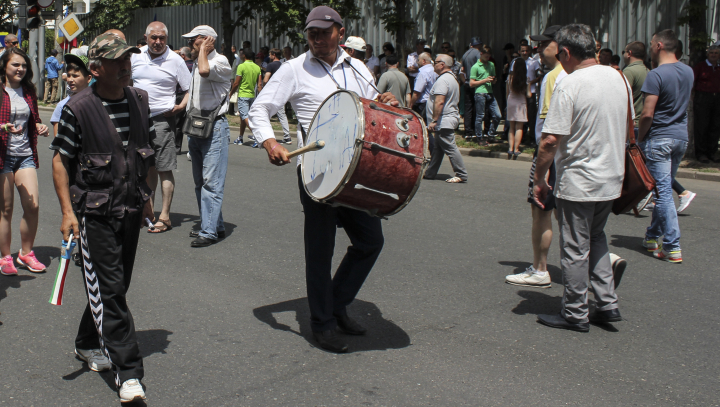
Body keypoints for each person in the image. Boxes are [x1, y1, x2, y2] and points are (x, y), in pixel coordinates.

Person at [247, 5, 398, 353]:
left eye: (323, 32)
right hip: (316, 174)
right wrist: (270, 142)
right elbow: (259, 109)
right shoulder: (293, 69)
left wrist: (386, 101)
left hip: (354, 171)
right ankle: (322, 323)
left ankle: (336, 303)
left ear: (340, 33)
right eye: (311, 33)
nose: (316, 38)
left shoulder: (359, 68)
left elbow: (374, 113)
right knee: (320, 251)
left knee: (370, 241)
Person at [50, 32, 154, 402]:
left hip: (129, 206)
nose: (125, 65)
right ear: (95, 69)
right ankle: (128, 372)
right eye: (116, 60)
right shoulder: (78, 108)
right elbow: (60, 162)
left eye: (127, 58)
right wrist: (66, 212)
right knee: (110, 288)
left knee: (116, 285)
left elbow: (147, 152)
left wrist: (147, 197)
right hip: (93, 214)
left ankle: (85, 340)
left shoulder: (140, 100)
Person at [533, 24, 628, 331]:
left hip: (580, 179)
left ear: (566, 53)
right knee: (597, 238)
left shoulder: (569, 83)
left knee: (575, 248)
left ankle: (575, 312)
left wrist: (539, 178)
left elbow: (550, 140)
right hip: (611, 176)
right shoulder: (618, 76)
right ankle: (606, 302)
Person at [506, 25, 567, 288]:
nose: (539, 49)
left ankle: (540, 269)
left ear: (561, 45)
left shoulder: (555, 77)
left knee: (540, 209)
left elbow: (549, 131)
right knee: (568, 215)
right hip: (572, 157)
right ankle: (596, 262)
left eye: (544, 44)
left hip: (552, 155)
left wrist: (540, 167)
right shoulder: (576, 74)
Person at [638, 29, 694, 263]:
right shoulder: (688, 71)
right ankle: (652, 236)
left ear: (659, 45)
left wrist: (640, 138)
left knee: (662, 195)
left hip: (659, 138)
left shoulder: (656, 74)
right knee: (663, 190)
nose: (650, 47)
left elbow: (647, 113)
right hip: (680, 137)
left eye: (652, 43)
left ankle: (672, 246)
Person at [131, 21, 191, 234]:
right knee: (145, 169)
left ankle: (164, 217)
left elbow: (189, 88)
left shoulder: (175, 60)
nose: (157, 42)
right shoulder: (135, 56)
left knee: (164, 168)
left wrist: (179, 107)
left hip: (162, 121)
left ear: (166, 38)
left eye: (161, 38)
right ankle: (149, 212)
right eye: (153, 38)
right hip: (137, 121)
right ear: (146, 37)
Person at [0, 47, 50, 276]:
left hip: (25, 155)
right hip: (2, 156)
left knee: (33, 205)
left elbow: (35, 119)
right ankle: (5, 257)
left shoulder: (28, 91)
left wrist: (40, 126)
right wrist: (3, 127)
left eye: (23, 65)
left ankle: (26, 253)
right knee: (6, 210)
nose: (20, 69)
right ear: (4, 66)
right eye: (15, 65)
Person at [182, 26, 233, 247]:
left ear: (206, 40)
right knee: (200, 182)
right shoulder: (197, 61)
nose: (190, 44)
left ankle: (208, 231)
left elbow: (205, 71)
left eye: (194, 40)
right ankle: (215, 225)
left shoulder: (219, 61)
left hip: (215, 128)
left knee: (212, 183)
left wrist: (203, 50)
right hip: (196, 127)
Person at [423, 54, 467, 183]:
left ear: (442, 65)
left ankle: (461, 173)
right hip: (446, 119)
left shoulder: (443, 80)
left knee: (450, 147)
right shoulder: (451, 78)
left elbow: (439, 102)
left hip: (443, 120)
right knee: (438, 148)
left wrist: (434, 120)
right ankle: (430, 172)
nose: (433, 65)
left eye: (435, 62)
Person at [51, 54, 92, 138]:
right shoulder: (62, 105)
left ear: (88, 78)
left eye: (75, 76)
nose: (70, 80)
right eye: (69, 75)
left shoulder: (97, 102)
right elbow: (58, 140)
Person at [693, 44, 720, 163]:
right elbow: (693, 81)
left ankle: (712, 152)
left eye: (716, 53)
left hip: (717, 97)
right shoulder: (701, 66)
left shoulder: (719, 67)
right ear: (708, 54)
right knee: (702, 126)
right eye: (711, 53)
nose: (713, 55)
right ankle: (701, 153)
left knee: (715, 125)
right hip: (703, 97)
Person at [470, 46, 501, 145]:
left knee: (497, 115)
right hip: (480, 92)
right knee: (480, 116)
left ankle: (490, 134)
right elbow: (471, 83)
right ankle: (479, 137)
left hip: (489, 92)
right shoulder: (475, 67)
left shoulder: (491, 64)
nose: (487, 59)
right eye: (486, 57)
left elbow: (494, 78)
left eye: (489, 57)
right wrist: (485, 80)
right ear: (481, 54)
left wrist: (493, 80)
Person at [231, 48, 262, 147]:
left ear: (244, 55)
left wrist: (230, 93)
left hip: (243, 95)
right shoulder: (257, 67)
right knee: (243, 118)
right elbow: (260, 85)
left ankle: (258, 137)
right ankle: (240, 137)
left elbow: (236, 83)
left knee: (245, 116)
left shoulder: (241, 66)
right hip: (252, 96)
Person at [263, 48, 291, 144]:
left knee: (265, 113)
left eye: (270, 54)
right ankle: (287, 136)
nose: (269, 56)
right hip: (282, 92)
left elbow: (266, 79)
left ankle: (264, 135)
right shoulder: (283, 65)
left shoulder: (270, 65)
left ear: (274, 55)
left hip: (272, 93)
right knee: (282, 114)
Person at [514, 44, 541, 144]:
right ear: (519, 51)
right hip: (520, 93)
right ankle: (522, 137)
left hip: (531, 91)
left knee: (531, 115)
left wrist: (530, 83)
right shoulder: (516, 62)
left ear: (529, 52)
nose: (524, 53)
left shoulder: (534, 62)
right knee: (521, 116)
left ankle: (533, 137)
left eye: (526, 51)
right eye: (522, 51)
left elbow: (539, 76)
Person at [505, 55, 530, 159]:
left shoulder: (510, 78)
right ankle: (516, 149)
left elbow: (507, 92)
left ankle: (510, 148)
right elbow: (529, 94)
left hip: (511, 101)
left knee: (511, 126)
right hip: (521, 102)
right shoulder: (526, 79)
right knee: (519, 127)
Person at [176, 46, 194, 156]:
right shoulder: (195, 65)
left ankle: (177, 147)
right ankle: (192, 148)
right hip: (192, 96)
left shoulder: (181, 66)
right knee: (191, 121)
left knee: (178, 123)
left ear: (183, 55)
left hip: (180, 95)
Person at [410, 52, 437, 123]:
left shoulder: (423, 72)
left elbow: (417, 92)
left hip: (423, 105)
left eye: (418, 60)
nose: (417, 62)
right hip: (432, 101)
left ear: (424, 61)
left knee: (422, 126)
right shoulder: (434, 70)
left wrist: (411, 105)